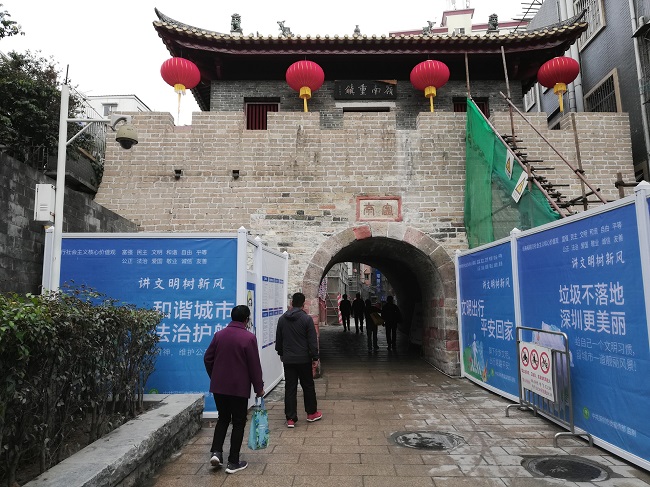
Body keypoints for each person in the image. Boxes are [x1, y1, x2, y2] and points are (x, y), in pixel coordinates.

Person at [204, 304, 264, 474]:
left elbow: (208, 358)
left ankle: (216, 452)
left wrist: (214, 376)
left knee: (223, 418)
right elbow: (254, 366)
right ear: (246, 319)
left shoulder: (219, 335)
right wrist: (259, 388)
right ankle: (233, 461)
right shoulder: (248, 338)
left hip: (219, 387)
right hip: (238, 388)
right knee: (238, 422)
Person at [275, 292, 322, 428]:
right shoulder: (306, 319)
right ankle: (311, 413)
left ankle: (290, 418)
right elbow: (312, 341)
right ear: (303, 304)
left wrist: (282, 353)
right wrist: (315, 357)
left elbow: (279, 340)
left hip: (288, 359)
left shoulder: (282, 319)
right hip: (303, 359)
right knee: (307, 385)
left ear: (291, 303)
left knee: (290, 387)